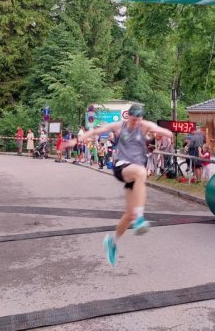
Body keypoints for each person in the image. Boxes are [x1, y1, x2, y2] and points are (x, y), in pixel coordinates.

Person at [65, 103, 173, 266]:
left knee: (128, 214)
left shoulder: (144, 126)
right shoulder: (119, 126)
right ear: (128, 116)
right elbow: (96, 131)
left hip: (134, 175)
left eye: (139, 120)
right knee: (142, 172)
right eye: (133, 120)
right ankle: (140, 218)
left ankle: (112, 242)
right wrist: (76, 140)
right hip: (122, 166)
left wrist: (163, 132)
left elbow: (164, 131)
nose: (136, 123)